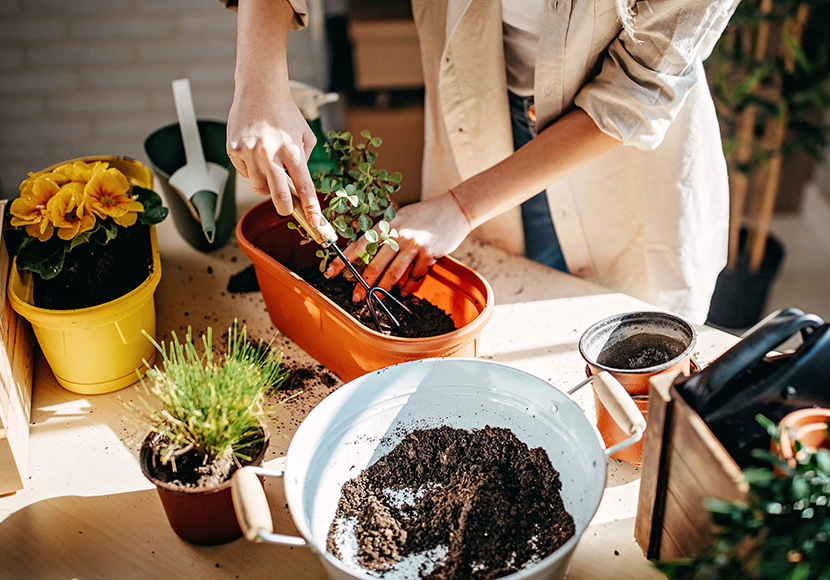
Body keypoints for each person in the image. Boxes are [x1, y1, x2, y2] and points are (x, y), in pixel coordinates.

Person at [221, 0, 738, 324]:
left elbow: (634, 94)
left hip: (616, 156)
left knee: (621, 342)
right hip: (479, 113)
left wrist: (462, 208)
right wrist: (259, 82)